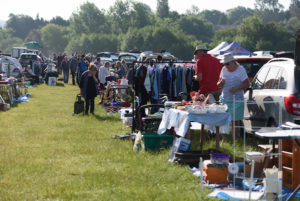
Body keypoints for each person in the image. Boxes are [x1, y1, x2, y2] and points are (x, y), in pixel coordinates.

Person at [217, 53, 250, 141]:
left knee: (235, 121)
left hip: (237, 100)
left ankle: (235, 141)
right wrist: (220, 83)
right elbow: (219, 83)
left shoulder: (240, 70)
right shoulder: (223, 69)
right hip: (225, 98)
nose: (226, 66)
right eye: (224, 64)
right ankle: (224, 140)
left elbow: (247, 84)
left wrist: (236, 88)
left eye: (227, 63)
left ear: (233, 62)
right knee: (224, 119)